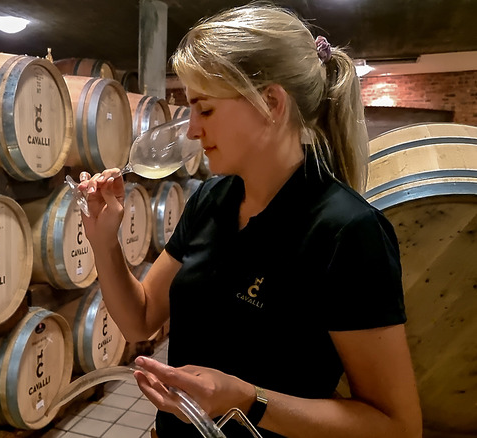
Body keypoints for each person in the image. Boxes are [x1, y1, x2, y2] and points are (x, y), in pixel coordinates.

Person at [77, 3, 422, 438]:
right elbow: (140, 318)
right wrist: (104, 240)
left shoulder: (347, 232)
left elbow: (397, 426)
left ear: (271, 103)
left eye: (205, 109)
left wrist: (247, 399)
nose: (191, 131)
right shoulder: (212, 199)